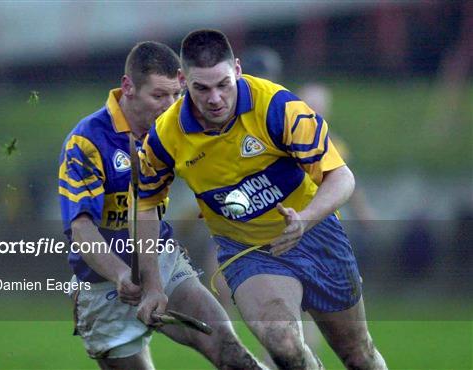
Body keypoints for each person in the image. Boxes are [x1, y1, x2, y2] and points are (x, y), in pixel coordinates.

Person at [135, 30, 387, 370]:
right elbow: (147, 205)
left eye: (223, 84)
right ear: (183, 80)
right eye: (201, 88)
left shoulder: (279, 107)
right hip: (247, 251)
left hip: (316, 234)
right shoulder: (165, 136)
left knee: (359, 354)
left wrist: (306, 217)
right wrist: (152, 284)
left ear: (237, 70)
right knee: (284, 346)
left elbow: (342, 178)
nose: (214, 99)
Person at [58, 41, 263, 370]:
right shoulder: (87, 141)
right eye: (158, 96)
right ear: (128, 87)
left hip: (161, 260)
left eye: (176, 94)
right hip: (103, 286)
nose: (170, 105)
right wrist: (122, 274)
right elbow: (81, 229)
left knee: (231, 352)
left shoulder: (178, 125)